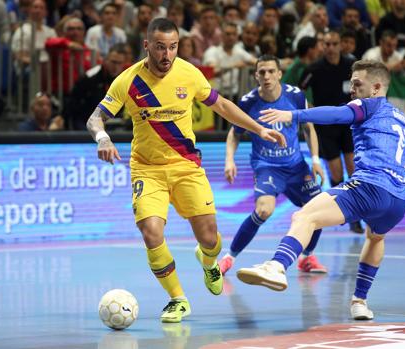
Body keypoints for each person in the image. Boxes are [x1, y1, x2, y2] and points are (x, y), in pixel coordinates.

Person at [236, 60, 405, 320]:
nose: (352, 89)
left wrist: (294, 115)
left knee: (304, 216)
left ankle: (276, 266)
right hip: (398, 200)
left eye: (357, 84)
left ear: (376, 88)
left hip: (369, 187)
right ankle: (359, 302)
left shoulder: (368, 105)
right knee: (375, 238)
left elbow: (336, 114)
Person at [86, 18, 285, 324]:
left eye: (173, 47)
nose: (167, 55)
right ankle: (178, 299)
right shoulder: (128, 80)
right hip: (147, 170)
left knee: (209, 239)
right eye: (161, 48)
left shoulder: (189, 73)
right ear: (147, 46)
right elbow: (95, 119)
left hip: (186, 167)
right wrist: (102, 137)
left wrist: (259, 129)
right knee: (151, 232)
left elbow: (223, 106)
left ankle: (208, 261)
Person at [219, 55, 327, 276]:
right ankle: (229, 257)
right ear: (256, 76)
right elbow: (234, 134)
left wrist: (315, 161)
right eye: (261, 72)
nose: (266, 76)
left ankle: (307, 258)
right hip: (267, 166)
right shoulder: (248, 102)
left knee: (319, 209)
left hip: (296, 166)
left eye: (270, 71)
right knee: (263, 210)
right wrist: (229, 159)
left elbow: (308, 128)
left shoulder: (296, 96)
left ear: (279, 74)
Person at [299, 30, 363, 234]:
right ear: (322, 46)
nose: (331, 48)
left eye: (334, 43)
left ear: (341, 45)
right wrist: (307, 112)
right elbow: (300, 91)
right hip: (325, 128)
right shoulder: (314, 68)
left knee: (353, 169)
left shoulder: (350, 66)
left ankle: (355, 215)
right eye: (326, 44)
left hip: (348, 124)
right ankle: (341, 210)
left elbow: (363, 86)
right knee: (336, 172)